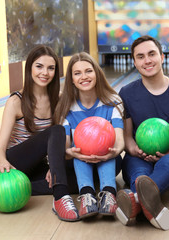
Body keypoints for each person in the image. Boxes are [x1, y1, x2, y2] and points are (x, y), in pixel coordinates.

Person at [0, 45, 79, 222]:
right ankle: (60, 197)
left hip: (39, 166)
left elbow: (65, 141)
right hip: (15, 164)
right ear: (29, 67)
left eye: (51, 68)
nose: (45, 72)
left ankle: (21, 189)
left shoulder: (59, 99)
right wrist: (3, 165)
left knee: (83, 180)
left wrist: (55, 167)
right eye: (39, 66)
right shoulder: (16, 101)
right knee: (56, 130)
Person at [116, 35, 169, 230]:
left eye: (152, 54)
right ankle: (147, 203)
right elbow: (126, 136)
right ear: (134, 62)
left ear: (162, 56)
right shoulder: (126, 93)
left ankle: (134, 201)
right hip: (138, 157)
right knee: (139, 171)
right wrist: (134, 149)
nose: (147, 60)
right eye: (140, 56)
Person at [53, 52, 124, 219]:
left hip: (110, 158)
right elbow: (66, 146)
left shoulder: (113, 101)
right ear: (71, 79)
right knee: (79, 150)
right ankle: (86, 195)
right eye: (77, 73)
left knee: (107, 149)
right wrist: (76, 152)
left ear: (97, 73)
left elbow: (120, 140)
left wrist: (111, 152)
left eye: (88, 71)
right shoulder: (65, 107)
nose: (84, 77)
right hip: (76, 161)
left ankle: (108, 194)